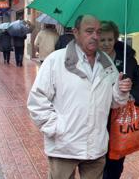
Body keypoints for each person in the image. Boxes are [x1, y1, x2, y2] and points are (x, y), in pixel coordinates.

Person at [27, 14, 132, 179]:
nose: (95, 36)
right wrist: (56, 128)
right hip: (64, 147)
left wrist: (121, 91)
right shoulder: (55, 61)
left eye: (98, 32)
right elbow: (36, 101)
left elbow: (114, 102)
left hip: (96, 147)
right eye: (89, 31)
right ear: (76, 32)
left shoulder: (106, 63)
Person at [98, 21, 139, 179]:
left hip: (121, 116)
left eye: (110, 40)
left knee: (117, 157)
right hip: (100, 114)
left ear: (116, 39)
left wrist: (131, 95)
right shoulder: (92, 58)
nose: (106, 44)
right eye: (102, 40)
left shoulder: (127, 58)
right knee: (100, 156)